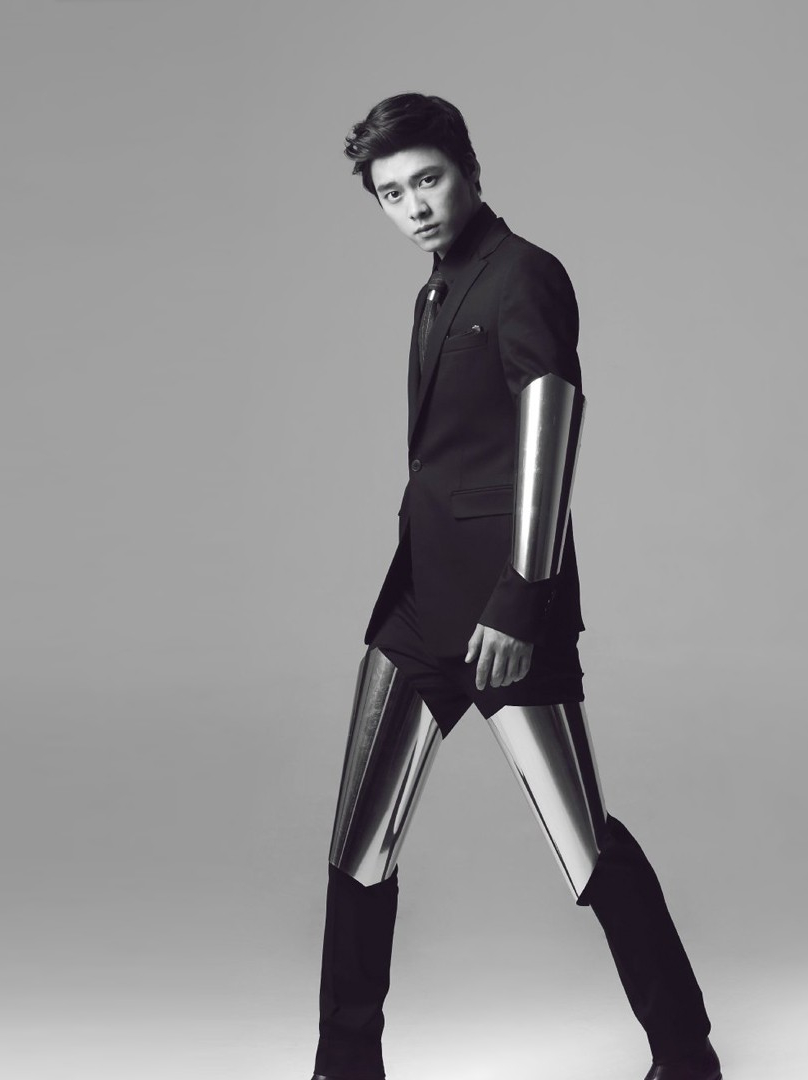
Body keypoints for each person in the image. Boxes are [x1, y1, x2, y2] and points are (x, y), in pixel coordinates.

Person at [312, 93, 722, 1080]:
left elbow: (551, 422)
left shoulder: (524, 274)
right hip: (416, 605)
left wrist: (520, 599)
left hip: (505, 614)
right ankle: (344, 1066)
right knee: (359, 846)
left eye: (428, 180)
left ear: (469, 169)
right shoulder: (433, 292)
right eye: (391, 193)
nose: (414, 205)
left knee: (584, 845)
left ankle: (686, 1056)